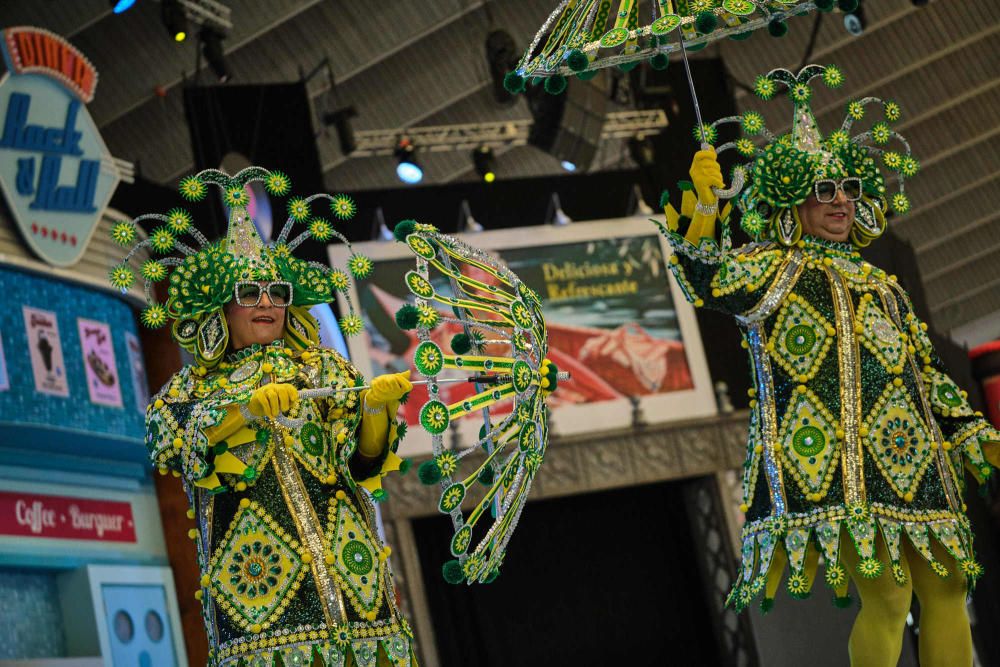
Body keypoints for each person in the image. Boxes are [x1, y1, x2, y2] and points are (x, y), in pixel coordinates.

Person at [656, 65, 1000, 667]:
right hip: (835, 460)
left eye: (846, 187)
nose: (840, 198)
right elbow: (706, 279)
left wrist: (977, 436)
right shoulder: (772, 268)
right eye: (822, 189)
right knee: (890, 596)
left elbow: (924, 375)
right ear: (791, 200)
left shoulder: (881, 283)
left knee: (947, 584)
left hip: (910, 455)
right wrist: (705, 202)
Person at [114, 168, 417, 666]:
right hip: (261, 613)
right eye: (251, 291)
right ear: (220, 307)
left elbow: (362, 465)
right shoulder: (190, 389)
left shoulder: (322, 368)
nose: (267, 303)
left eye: (277, 292)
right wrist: (243, 412)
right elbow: (174, 446)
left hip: (360, 599)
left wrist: (377, 411)